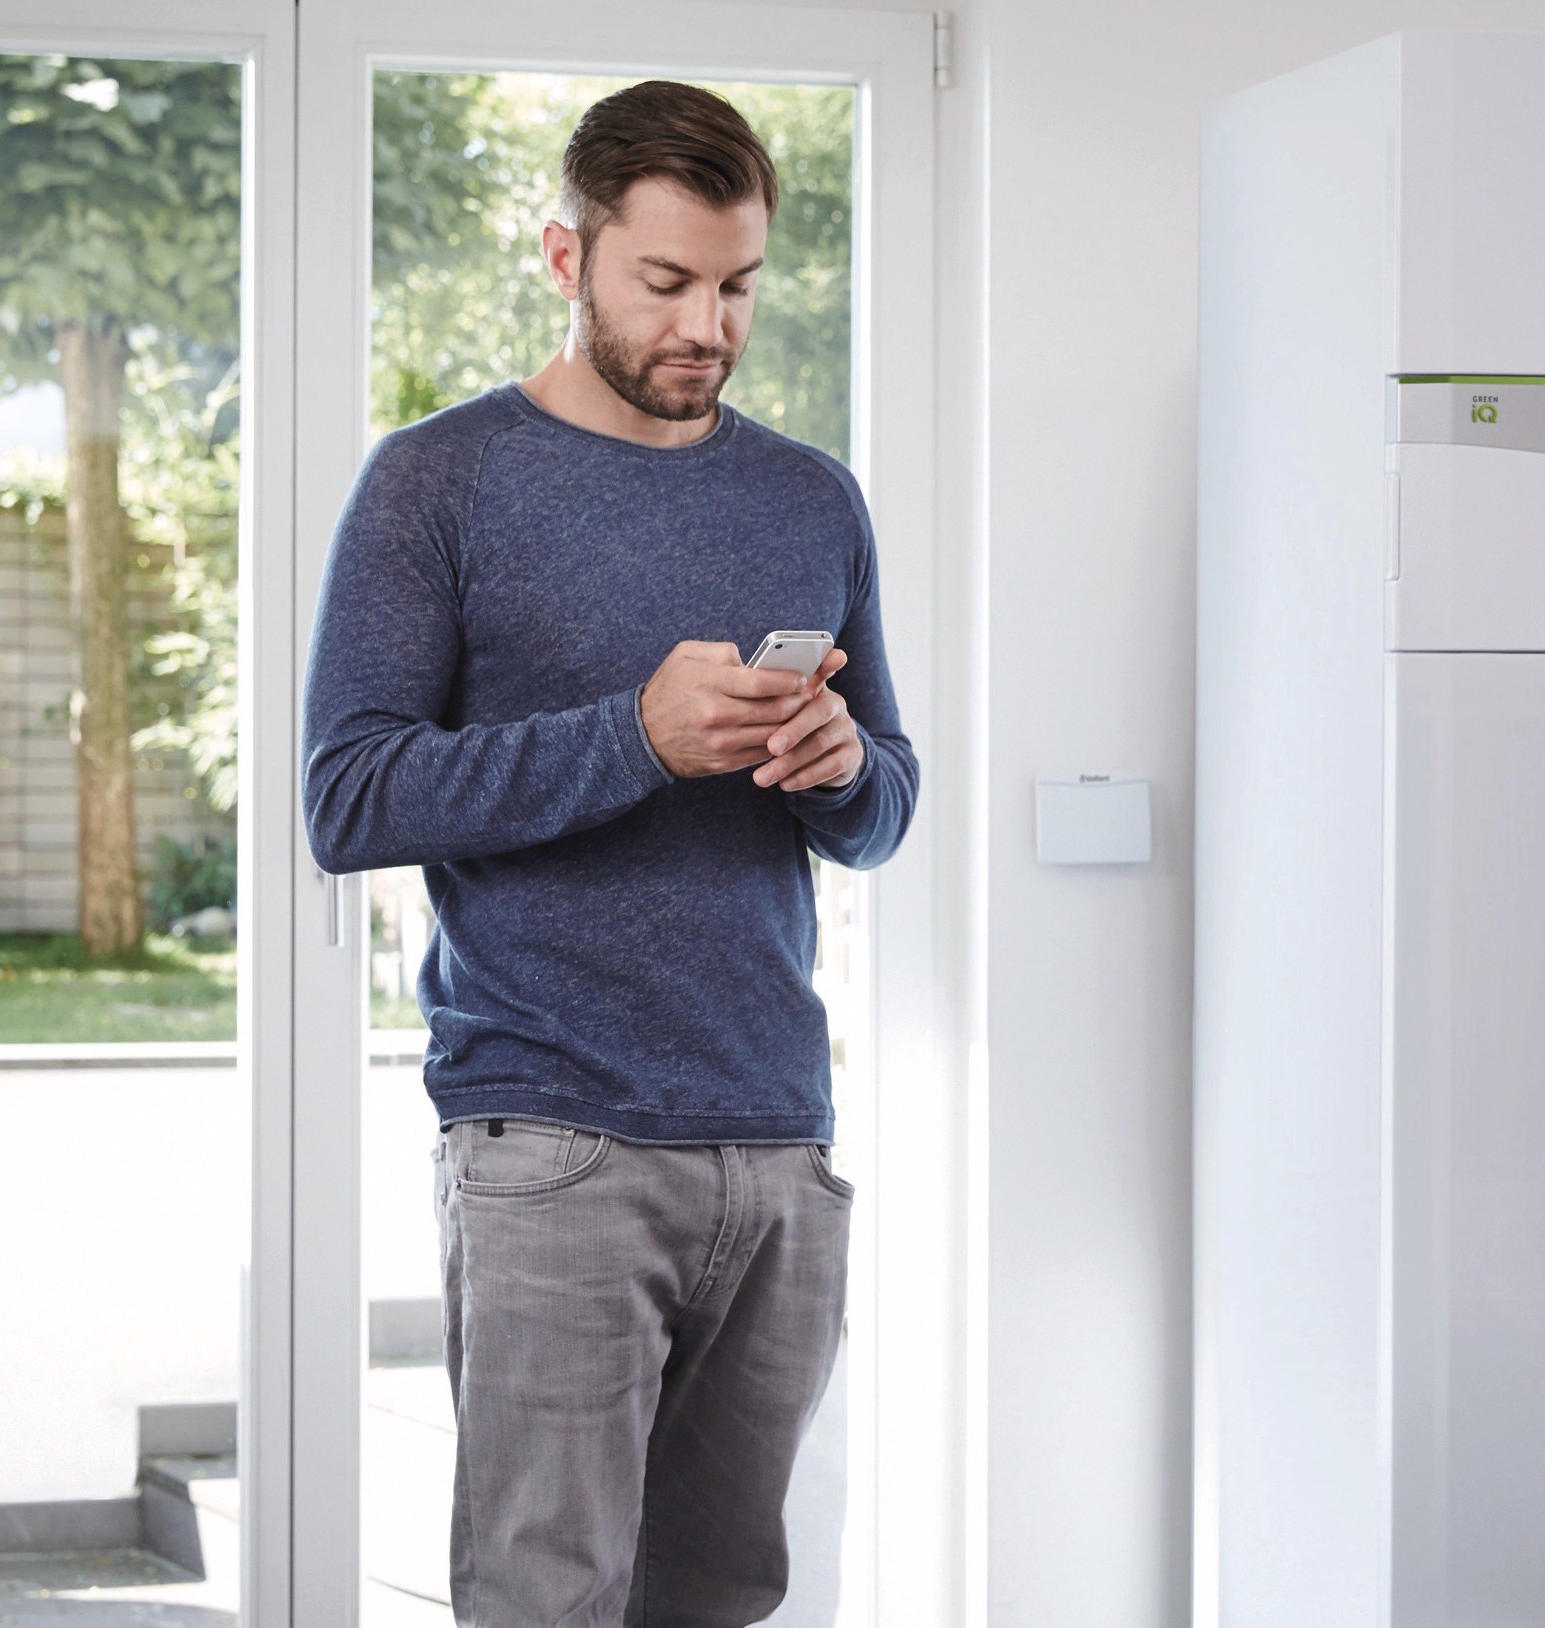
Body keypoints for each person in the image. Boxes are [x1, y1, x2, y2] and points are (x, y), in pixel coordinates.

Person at [300, 80, 918, 1627]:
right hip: (552, 1140)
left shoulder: (809, 497)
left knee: (727, 1598)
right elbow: (350, 796)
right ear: (564, 257)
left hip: (776, 1133)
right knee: (546, 1599)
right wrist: (634, 734)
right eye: (666, 282)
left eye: (737, 284)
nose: (707, 323)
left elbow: (889, 805)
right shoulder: (435, 483)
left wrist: (842, 769)